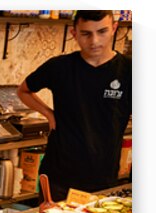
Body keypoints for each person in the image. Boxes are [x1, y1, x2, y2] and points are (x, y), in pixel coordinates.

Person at [17, 10, 132, 201]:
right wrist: (48, 114)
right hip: (58, 176)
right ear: (74, 34)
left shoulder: (130, 70)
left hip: (103, 175)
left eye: (102, 31)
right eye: (86, 33)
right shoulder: (59, 67)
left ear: (114, 29)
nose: (94, 41)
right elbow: (23, 91)